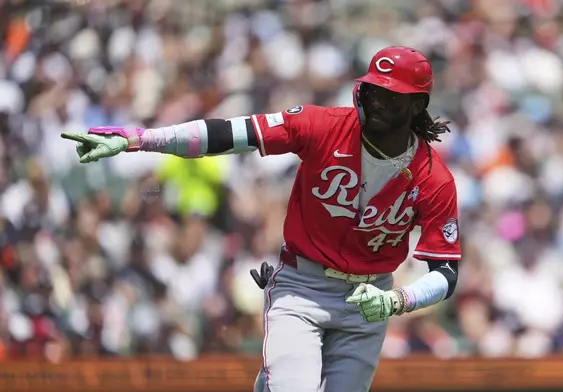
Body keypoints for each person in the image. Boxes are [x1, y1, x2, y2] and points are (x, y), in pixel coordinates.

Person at [61, 46, 461, 392]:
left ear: (417, 105)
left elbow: (446, 273)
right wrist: (137, 139)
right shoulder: (323, 126)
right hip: (302, 287)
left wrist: (397, 300)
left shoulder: (434, 177)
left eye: (390, 96)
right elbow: (228, 134)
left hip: (369, 301)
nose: (376, 100)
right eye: (372, 89)